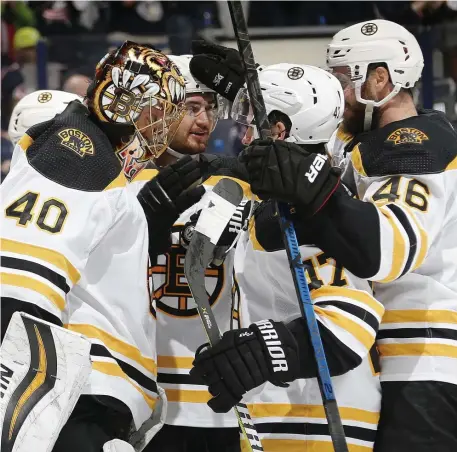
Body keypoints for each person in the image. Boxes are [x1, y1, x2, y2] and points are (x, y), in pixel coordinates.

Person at [235, 19, 457, 452]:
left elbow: (386, 250)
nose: (337, 90)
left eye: (344, 78)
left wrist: (315, 188)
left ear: (381, 79)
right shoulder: (362, 140)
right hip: (383, 355)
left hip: (423, 358)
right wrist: (248, 87)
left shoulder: (417, 146)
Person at [0, 41, 205, 452]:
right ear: (123, 104)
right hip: (75, 396)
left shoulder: (100, 164)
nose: (162, 129)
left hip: (88, 397)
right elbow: (19, 282)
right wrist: (22, 408)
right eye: (158, 112)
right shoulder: (78, 154)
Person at [188, 61, 383, 451]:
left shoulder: (309, 208)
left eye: (250, 121)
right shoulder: (274, 200)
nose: (241, 136)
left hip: (320, 420)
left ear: (279, 130)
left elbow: (353, 320)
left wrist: (263, 349)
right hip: (278, 415)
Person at [128, 54, 247, 452]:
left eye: (211, 109)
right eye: (192, 107)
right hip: (139, 390)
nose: (205, 121)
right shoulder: (115, 182)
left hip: (214, 396)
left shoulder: (235, 180)